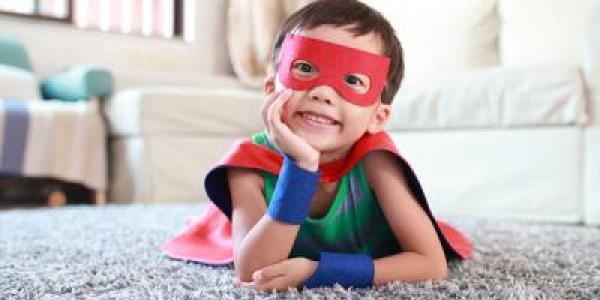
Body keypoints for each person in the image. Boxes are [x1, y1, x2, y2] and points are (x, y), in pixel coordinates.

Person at [161, 0, 472, 292]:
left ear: (378, 117)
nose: (323, 92)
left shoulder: (377, 162)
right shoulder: (248, 165)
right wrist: (300, 168)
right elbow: (253, 271)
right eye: (306, 69)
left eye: (353, 80)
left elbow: (431, 264)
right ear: (271, 88)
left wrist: (318, 271)